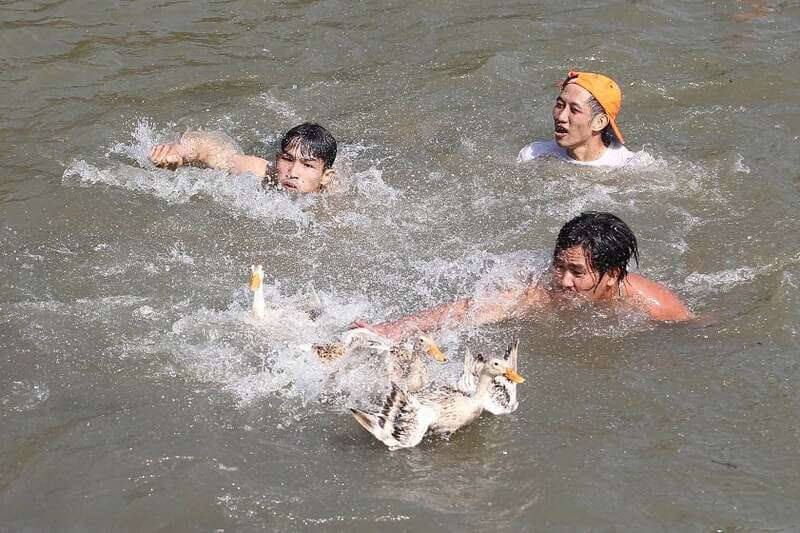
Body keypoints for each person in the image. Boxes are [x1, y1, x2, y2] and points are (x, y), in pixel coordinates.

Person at [358, 212, 693, 341]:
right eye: (559, 266)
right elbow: (467, 310)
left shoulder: (653, 304)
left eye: (577, 272)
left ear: (612, 275)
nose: (563, 281)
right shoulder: (542, 294)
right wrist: (391, 329)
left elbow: (695, 332)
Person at [148, 122, 337, 193]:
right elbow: (210, 147)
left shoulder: (337, 204)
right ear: (277, 158)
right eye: (287, 159)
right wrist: (178, 152)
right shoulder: (262, 172)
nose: (293, 172)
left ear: (325, 176)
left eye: (308, 166)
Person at [517, 71, 636, 167]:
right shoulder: (533, 156)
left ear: (599, 122)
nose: (561, 117)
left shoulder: (629, 167)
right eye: (559, 105)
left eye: (574, 110)